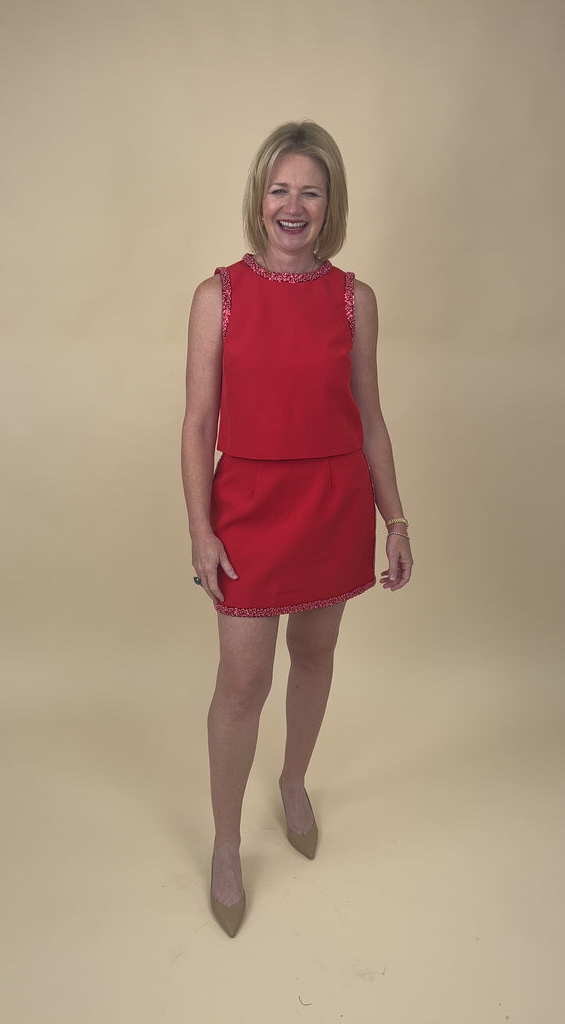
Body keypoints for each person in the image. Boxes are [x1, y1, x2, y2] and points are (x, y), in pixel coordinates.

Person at [181, 121, 413, 937]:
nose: (293, 205)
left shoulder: (355, 298)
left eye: (310, 191)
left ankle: (292, 782)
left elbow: (370, 417)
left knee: (315, 654)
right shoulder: (218, 296)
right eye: (280, 188)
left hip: (333, 504)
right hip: (247, 507)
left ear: (329, 204)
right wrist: (200, 530)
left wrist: (395, 519)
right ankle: (226, 844)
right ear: (259, 198)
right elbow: (197, 422)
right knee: (242, 683)